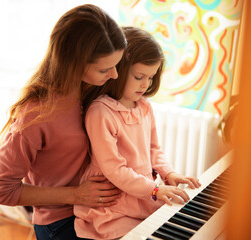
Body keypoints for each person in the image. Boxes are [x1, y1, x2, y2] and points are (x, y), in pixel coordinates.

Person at [0, 4, 127, 240]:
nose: (115, 75)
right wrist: (75, 195)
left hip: (96, 212)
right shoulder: (35, 116)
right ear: (75, 63)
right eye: (105, 69)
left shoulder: (89, 91)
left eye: (117, 65)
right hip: (61, 223)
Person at [74, 27, 201, 240]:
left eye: (150, 78)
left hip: (142, 194)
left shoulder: (144, 106)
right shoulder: (100, 112)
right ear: (119, 70)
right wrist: (153, 190)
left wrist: (169, 174)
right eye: (139, 76)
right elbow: (114, 169)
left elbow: (154, 149)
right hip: (113, 204)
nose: (145, 84)